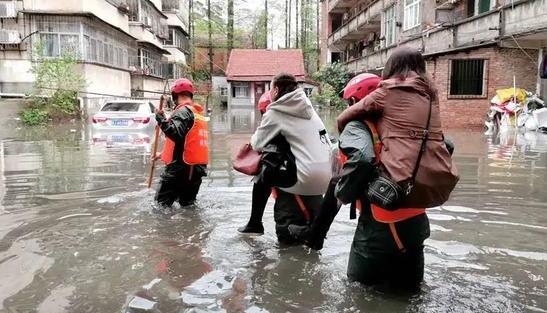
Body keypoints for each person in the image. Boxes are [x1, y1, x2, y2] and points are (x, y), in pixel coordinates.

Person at [335, 47, 459, 289]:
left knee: (358, 291)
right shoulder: (430, 98)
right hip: (418, 220)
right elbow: (446, 145)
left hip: (383, 219)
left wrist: (344, 191)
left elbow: (347, 121)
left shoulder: (387, 92)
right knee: (410, 293)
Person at [247, 73, 332, 244]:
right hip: (326, 180)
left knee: (266, 165)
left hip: (302, 178)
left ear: (276, 89)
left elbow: (256, 143)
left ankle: (255, 222)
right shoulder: (309, 108)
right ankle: (255, 223)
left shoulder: (277, 110)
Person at [153, 78, 209, 208]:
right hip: (194, 171)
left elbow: (175, 133)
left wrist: (161, 119)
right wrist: (162, 154)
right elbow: (187, 143)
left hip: (179, 171)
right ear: (190, 95)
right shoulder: (197, 113)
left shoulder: (183, 111)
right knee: (188, 206)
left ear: (175, 96)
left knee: (160, 207)